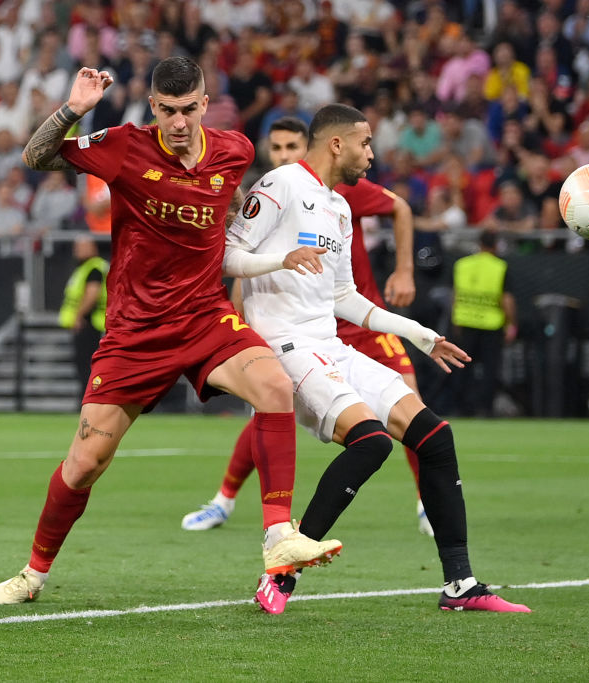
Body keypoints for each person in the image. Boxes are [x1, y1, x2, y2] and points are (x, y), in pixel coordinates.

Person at [0, 58, 341, 606]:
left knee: (275, 386)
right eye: (167, 110)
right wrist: (74, 109)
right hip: (135, 332)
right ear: (153, 106)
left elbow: (237, 213)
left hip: (202, 316)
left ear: (204, 102)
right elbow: (35, 157)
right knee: (84, 465)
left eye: (188, 109)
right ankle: (31, 576)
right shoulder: (124, 145)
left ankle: (277, 536)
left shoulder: (235, 150)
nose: (177, 121)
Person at [224, 104, 530, 614]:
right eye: (365, 143)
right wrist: (282, 258)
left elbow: (344, 296)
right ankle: (282, 573)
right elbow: (228, 257)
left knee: (434, 437)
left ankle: (460, 585)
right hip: (287, 348)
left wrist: (419, 334)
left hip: (332, 345)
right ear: (337, 144)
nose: (372, 153)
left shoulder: (340, 209)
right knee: (370, 443)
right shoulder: (280, 186)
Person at [181, 116, 434, 537]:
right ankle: (232, 505)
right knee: (272, 409)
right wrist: (242, 317)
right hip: (297, 329)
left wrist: (405, 271)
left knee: (411, 404)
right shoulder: (277, 189)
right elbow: (237, 257)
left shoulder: (344, 189)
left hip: (358, 321)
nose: (283, 155)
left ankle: (427, 502)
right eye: (276, 148)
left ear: (318, 146)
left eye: (291, 147)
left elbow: (399, 207)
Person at [449, 229, 517, 418]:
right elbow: (507, 299)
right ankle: (485, 409)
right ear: (495, 245)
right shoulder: (500, 267)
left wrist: (455, 318)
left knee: (462, 368)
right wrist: (511, 324)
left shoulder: (462, 264)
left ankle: (460, 408)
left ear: (479, 244)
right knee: (490, 370)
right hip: (491, 324)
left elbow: (454, 294)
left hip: (465, 321)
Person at [59, 235, 108, 401]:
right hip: (91, 323)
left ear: (92, 247)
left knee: (89, 366)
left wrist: (78, 315)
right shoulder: (87, 267)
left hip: (93, 323)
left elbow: (92, 293)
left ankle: (91, 401)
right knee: (86, 366)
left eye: (80, 247)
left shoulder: (93, 268)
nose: (76, 250)